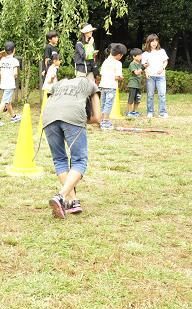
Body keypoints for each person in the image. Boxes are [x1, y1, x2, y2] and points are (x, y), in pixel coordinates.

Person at [42, 77, 101, 219]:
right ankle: (61, 196)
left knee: (59, 159)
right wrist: (80, 119)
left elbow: (49, 100)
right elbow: (97, 118)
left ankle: (72, 202)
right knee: (79, 161)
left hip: (48, 117)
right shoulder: (92, 85)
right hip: (73, 116)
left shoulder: (59, 83)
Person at [0, 41, 21, 126]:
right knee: (4, 101)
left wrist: (4, 74)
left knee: (8, 101)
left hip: (3, 84)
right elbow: (15, 73)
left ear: (5, 51)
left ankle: (13, 117)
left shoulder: (3, 60)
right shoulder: (14, 61)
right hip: (9, 84)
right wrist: (13, 76)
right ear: (14, 50)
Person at [99, 43, 126, 130]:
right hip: (111, 87)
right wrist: (121, 77)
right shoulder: (118, 63)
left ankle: (102, 120)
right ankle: (105, 122)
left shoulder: (105, 61)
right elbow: (117, 76)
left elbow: (102, 73)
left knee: (103, 104)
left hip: (102, 86)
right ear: (119, 55)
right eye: (122, 55)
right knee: (108, 104)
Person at [142, 34, 169, 119]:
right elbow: (144, 65)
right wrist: (146, 72)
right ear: (148, 42)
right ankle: (150, 112)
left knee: (162, 94)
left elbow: (165, 61)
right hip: (151, 76)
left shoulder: (162, 51)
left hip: (161, 76)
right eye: (152, 41)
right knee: (150, 95)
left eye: (156, 41)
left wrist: (163, 68)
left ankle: (163, 112)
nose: (154, 43)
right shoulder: (145, 53)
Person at [126, 48, 143, 118]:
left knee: (138, 99)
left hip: (138, 84)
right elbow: (136, 73)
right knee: (131, 98)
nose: (140, 57)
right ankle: (129, 112)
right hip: (133, 84)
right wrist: (143, 68)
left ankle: (134, 111)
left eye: (141, 55)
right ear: (134, 56)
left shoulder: (140, 64)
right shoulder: (132, 64)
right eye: (138, 56)